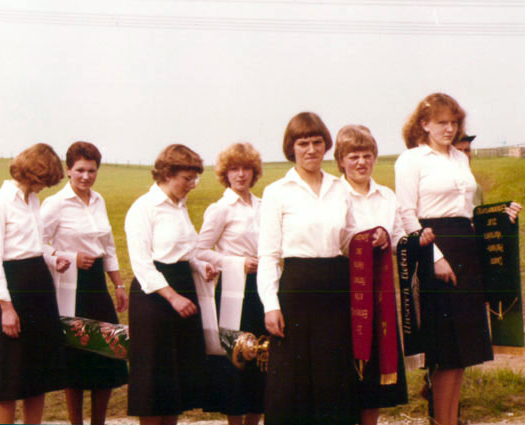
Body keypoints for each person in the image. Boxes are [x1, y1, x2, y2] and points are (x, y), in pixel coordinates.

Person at [395, 93, 522, 425]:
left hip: (466, 250)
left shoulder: (460, 158)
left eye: (454, 122)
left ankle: (450, 419)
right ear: (424, 124)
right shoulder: (411, 160)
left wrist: (502, 217)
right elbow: (407, 215)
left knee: (462, 351)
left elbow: (469, 212)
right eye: (441, 123)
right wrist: (434, 257)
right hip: (434, 247)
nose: (449, 129)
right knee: (445, 351)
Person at [257, 112, 360, 425]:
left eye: (317, 142)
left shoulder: (340, 189)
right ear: (292, 148)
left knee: (333, 376)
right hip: (296, 290)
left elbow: (349, 241)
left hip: (334, 288)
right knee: (292, 381)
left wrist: (374, 237)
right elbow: (269, 255)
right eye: (304, 143)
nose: (312, 149)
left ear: (326, 145)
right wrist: (271, 306)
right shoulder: (277, 192)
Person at [334, 125, 435, 425]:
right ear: (341, 160)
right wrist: (366, 238)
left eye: (367, 155)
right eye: (354, 156)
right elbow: (333, 239)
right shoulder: (333, 194)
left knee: (374, 373)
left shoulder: (387, 196)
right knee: (345, 369)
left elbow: (398, 241)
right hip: (343, 290)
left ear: (376, 158)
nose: (361, 162)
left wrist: (416, 240)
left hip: (379, 293)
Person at [125, 144, 218, 425]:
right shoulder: (144, 208)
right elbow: (141, 264)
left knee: (175, 381)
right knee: (155, 382)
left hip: (183, 292)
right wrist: (173, 297)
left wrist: (201, 267)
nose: (192, 185)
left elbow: (185, 252)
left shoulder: (180, 206)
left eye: (194, 178)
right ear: (166, 174)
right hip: (154, 299)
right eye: (186, 179)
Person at [41, 141, 129, 425]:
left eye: (91, 170)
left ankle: (98, 422)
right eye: (80, 170)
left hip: (97, 286)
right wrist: (65, 256)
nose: (85, 176)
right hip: (69, 286)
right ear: (68, 170)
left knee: (106, 353)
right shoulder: (54, 204)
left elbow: (108, 245)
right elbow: (36, 243)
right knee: (75, 359)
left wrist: (117, 283)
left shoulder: (99, 200)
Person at [0, 143, 70, 424]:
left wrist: (52, 258)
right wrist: (6, 307)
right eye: (44, 179)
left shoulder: (33, 200)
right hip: (14, 289)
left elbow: (33, 245)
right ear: (33, 171)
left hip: (39, 288)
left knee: (38, 375)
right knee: (9, 378)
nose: (44, 186)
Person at [195, 142, 266, 425]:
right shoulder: (220, 208)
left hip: (262, 289)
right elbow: (199, 250)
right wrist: (237, 262)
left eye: (246, 168)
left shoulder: (263, 205)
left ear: (254, 172)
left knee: (262, 356)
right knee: (236, 360)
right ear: (225, 174)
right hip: (235, 293)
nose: (240, 175)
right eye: (234, 169)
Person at [452, 133, 483, 206]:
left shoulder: (476, 188)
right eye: (458, 151)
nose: (464, 155)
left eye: (467, 150)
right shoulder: (441, 188)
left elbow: (480, 215)